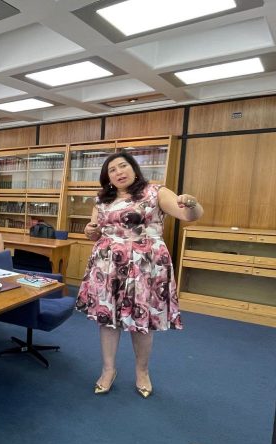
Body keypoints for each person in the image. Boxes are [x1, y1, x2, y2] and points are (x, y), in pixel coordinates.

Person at [75, 152, 203, 398]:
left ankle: (142, 371)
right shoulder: (102, 199)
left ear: (134, 169)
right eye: (112, 170)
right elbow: (96, 231)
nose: (119, 172)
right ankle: (108, 369)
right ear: (108, 177)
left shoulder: (155, 192)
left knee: (141, 318)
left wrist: (192, 204)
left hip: (147, 264)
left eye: (123, 166)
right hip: (108, 265)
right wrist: (89, 231)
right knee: (107, 317)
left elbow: (189, 216)